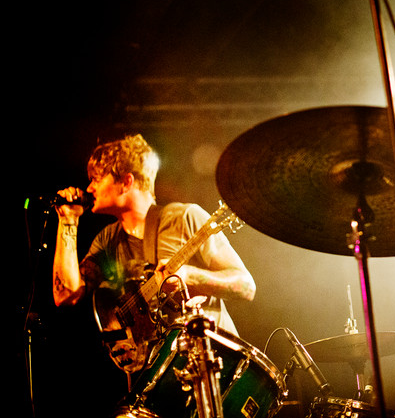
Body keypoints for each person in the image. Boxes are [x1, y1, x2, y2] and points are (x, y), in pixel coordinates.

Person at [52, 134, 256, 383]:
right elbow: (65, 295)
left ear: (126, 182)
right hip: (154, 383)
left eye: (96, 178)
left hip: (213, 369)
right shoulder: (106, 240)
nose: (89, 188)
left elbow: (246, 286)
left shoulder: (184, 218)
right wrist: (68, 220)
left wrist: (188, 276)